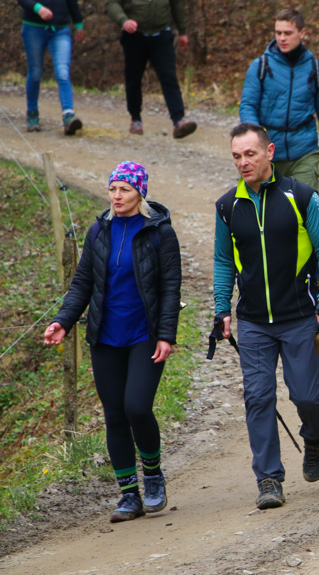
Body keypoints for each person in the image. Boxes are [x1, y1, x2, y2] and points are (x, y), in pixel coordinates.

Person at [44, 162, 181, 523]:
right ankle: (129, 495)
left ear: (140, 193)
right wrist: (63, 320)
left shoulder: (159, 233)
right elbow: (82, 283)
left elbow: (170, 288)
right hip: (105, 337)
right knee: (115, 415)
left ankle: (152, 474)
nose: (116, 196)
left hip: (144, 336)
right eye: (113, 189)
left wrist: (167, 334)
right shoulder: (99, 232)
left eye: (124, 189)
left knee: (137, 406)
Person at [213, 123, 319, 510]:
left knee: (305, 395)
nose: (243, 162)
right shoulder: (227, 206)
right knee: (258, 397)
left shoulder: (300, 196)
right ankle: (268, 478)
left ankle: (316, 436)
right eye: (236, 156)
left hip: (300, 314)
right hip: (252, 321)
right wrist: (221, 308)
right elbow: (222, 261)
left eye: (249, 154)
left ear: (269, 152)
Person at [239, 9, 319, 192]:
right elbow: (248, 105)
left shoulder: (317, 69)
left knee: (305, 211)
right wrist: (256, 141)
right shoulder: (260, 66)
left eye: (287, 33)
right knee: (268, 214)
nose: (282, 38)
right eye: (278, 33)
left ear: (302, 33)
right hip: (268, 153)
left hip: (304, 152)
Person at [106, 0, 197, 138]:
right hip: (134, 36)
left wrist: (182, 31)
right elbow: (112, 3)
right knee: (134, 78)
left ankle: (178, 121)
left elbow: (177, 4)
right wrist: (123, 21)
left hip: (161, 35)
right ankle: (135, 119)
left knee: (169, 77)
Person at [19, 0, 84, 135]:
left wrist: (78, 23)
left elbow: (72, 3)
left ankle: (68, 116)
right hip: (33, 28)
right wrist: (38, 8)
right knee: (35, 73)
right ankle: (32, 113)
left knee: (63, 72)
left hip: (60, 29)